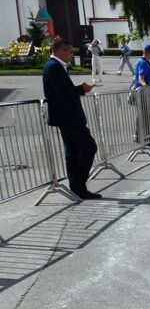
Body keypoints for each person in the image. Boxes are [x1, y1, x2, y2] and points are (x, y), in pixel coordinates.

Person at [42, 38, 101, 200]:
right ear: (60, 51)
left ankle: (77, 186)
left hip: (66, 117)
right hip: (68, 117)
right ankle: (78, 184)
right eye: (70, 52)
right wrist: (82, 88)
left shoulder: (54, 66)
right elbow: (63, 93)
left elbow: (63, 91)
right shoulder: (54, 67)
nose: (71, 55)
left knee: (73, 151)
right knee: (88, 147)